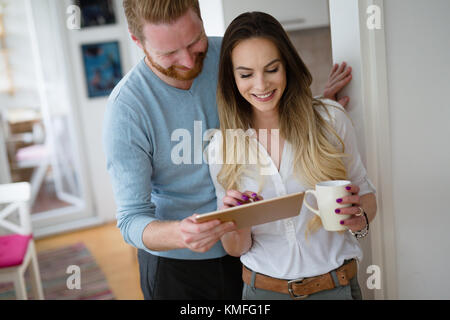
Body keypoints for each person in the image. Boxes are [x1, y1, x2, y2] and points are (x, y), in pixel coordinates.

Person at [103, 0, 353, 300]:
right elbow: (130, 219)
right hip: (181, 269)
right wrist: (180, 233)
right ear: (137, 41)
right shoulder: (127, 109)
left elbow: (267, 95)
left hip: (253, 258)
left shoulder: (227, 54)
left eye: (195, 41)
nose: (187, 61)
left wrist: (315, 110)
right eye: (169, 53)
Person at [207, 11, 377, 300]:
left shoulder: (331, 120)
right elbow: (235, 248)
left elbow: (367, 195)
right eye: (246, 74)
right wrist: (238, 220)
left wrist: (359, 220)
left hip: (335, 288)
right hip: (263, 293)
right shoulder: (221, 147)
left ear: (287, 66)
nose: (260, 85)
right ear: (231, 78)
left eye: (272, 69)